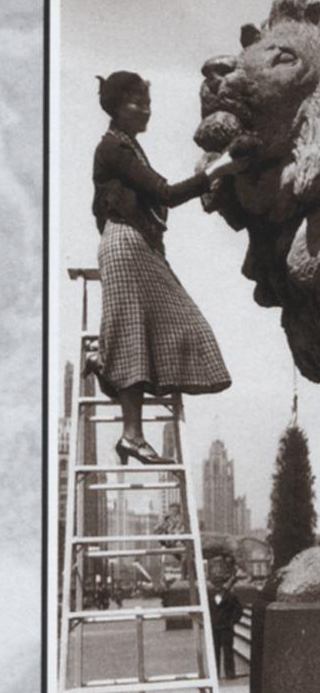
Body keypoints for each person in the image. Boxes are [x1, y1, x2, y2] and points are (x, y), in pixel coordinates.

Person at [88, 71, 246, 465]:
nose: (145, 110)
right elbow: (165, 194)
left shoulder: (127, 146)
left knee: (178, 328)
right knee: (133, 337)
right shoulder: (113, 148)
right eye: (136, 103)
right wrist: (219, 169)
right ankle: (131, 434)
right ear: (114, 106)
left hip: (140, 247)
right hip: (125, 244)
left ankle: (104, 364)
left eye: (148, 103)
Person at [208, 578, 244, 680]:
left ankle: (230, 673)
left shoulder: (231, 597)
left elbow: (239, 610)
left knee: (228, 651)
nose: (218, 587)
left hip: (226, 628)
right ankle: (215, 673)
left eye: (219, 584)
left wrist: (232, 621)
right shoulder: (210, 596)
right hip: (214, 628)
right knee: (215, 651)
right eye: (216, 584)